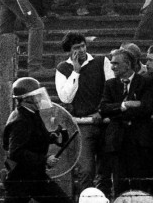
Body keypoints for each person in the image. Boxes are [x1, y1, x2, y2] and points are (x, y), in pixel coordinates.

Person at [55, 32, 114, 195]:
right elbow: (65, 97)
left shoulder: (102, 61)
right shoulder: (62, 68)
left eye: (83, 46)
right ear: (69, 50)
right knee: (86, 170)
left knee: (105, 170)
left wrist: (101, 111)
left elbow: (111, 88)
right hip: (81, 124)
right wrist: (76, 71)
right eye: (76, 47)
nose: (81, 50)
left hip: (104, 122)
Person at [3, 77, 72, 203]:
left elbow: (34, 137)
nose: (40, 98)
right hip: (21, 180)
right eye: (37, 95)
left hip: (34, 176)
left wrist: (51, 137)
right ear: (26, 99)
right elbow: (15, 152)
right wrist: (45, 159)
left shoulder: (31, 113)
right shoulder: (21, 120)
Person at [99, 48, 153, 194]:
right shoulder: (110, 84)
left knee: (140, 186)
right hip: (117, 143)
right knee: (119, 186)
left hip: (138, 143)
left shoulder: (145, 82)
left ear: (128, 64)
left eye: (116, 63)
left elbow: (146, 108)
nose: (112, 67)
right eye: (112, 63)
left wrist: (116, 112)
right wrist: (125, 105)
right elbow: (104, 108)